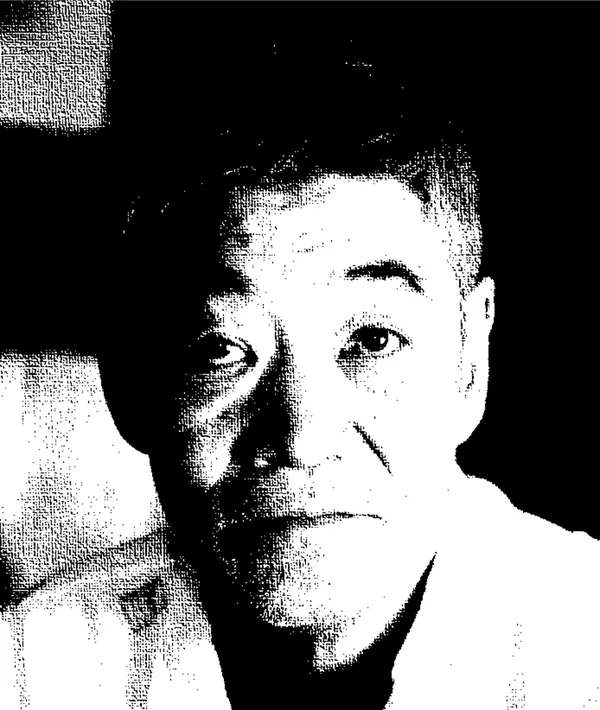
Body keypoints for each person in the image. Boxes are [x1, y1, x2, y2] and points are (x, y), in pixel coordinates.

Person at [3, 125, 600, 709]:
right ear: (128, 385)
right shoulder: (35, 673)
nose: (300, 438)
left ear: (469, 361)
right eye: (220, 348)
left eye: (373, 341)